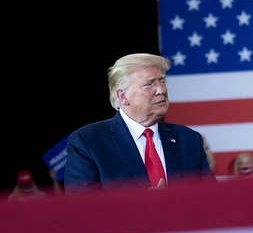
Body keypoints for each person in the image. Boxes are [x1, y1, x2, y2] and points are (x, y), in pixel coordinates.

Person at [64, 53, 214, 192]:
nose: (161, 90)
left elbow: (211, 198)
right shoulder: (88, 142)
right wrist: (144, 206)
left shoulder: (188, 139)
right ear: (123, 97)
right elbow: (83, 207)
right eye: (149, 84)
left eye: (162, 81)